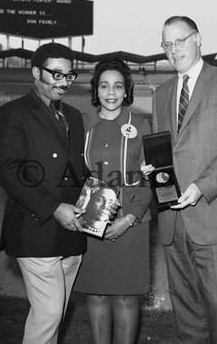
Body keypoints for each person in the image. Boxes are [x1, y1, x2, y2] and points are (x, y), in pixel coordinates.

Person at [151, 16, 217, 343]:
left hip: (215, 218)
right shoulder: (162, 92)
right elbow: (162, 153)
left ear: (198, 39)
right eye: (167, 44)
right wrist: (152, 171)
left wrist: (202, 186)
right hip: (173, 221)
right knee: (187, 316)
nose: (173, 50)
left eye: (179, 41)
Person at [0, 43, 86, 344]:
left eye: (69, 75)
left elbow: (76, 170)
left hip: (71, 230)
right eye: (56, 74)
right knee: (48, 314)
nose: (63, 82)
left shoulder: (73, 115)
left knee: (54, 314)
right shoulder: (12, 112)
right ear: (35, 72)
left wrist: (97, 196)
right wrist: (56, 208)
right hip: (37, 227)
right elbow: (9, 170)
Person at [74, 56, 152, 344]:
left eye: (118, 86)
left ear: (126, 90)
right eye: (104, 86)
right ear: (95, 90)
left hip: (132, 223)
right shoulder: (81, 125)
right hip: (91, 223)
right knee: (95, 295)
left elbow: (154, 178)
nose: (110, 92)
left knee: (125, 298)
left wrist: (128, 218)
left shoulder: (142, 124)